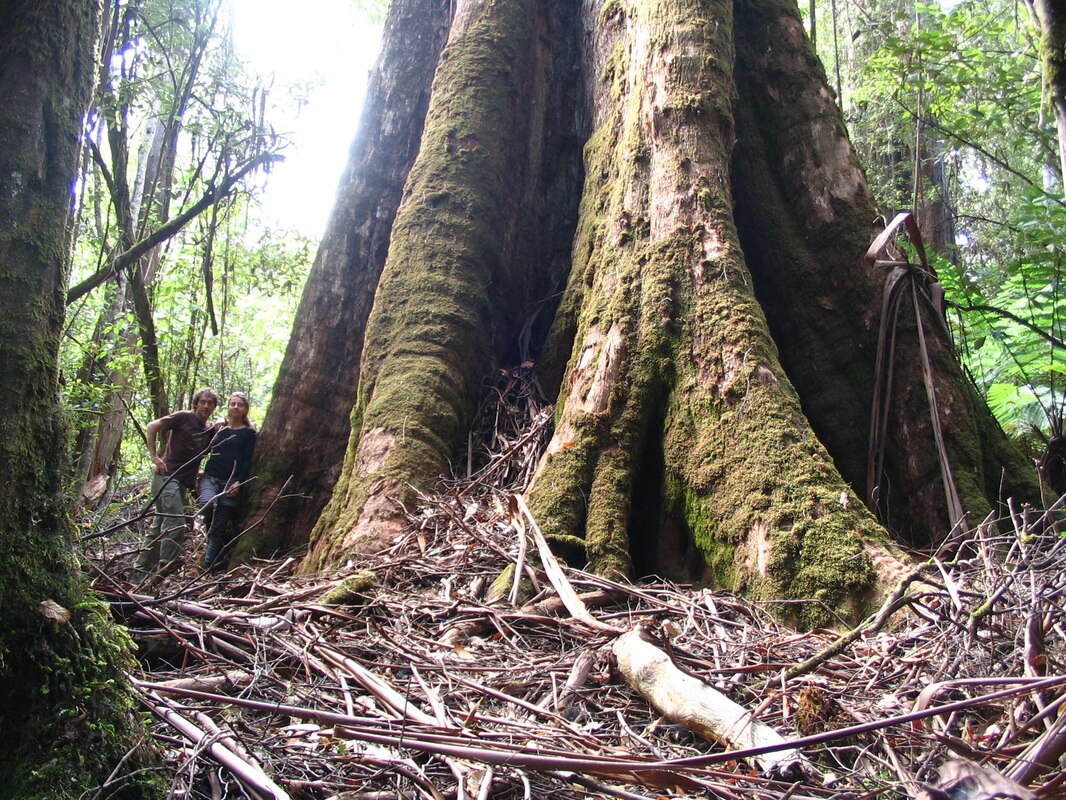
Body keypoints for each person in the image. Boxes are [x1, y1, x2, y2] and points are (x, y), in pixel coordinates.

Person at [135, 387, 219, 575]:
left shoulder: (210, 429)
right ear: (196, 403)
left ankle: (141, 569)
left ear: (214, 406)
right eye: (202, 401)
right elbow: (151, 426)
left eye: (210, 403)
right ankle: (165, 568)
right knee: (175, 523)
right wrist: (155, 457)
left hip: (182, 483)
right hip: (166, 477)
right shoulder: (183, 417)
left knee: (159, 525)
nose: (206, 406)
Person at [198, 391, 256, 569]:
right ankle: (209, 539)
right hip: (211, 477)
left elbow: (248, 460)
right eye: (233, 404)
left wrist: (239, 481)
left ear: (245, 409)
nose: (236, 407)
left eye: (240, 404)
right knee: (206, 504)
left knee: (220, 526)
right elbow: (204, 450)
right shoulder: (219, 429)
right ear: (228, 406)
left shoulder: (249, 434)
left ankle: (208, 565)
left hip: (231, 483)